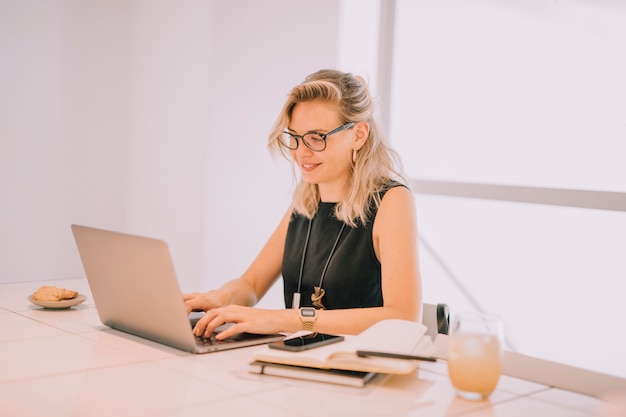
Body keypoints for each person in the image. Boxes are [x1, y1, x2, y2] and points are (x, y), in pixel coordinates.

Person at [184, 69, 422, 340]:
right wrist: (219, 297)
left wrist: (289, 320)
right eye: (295, 137)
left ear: (358, 135)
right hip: (303, 362)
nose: (301, 152)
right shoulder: (308, 199)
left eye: (317, 137)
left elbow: (403, 317)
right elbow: (251, 284)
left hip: (356, 367)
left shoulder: (391, 200)